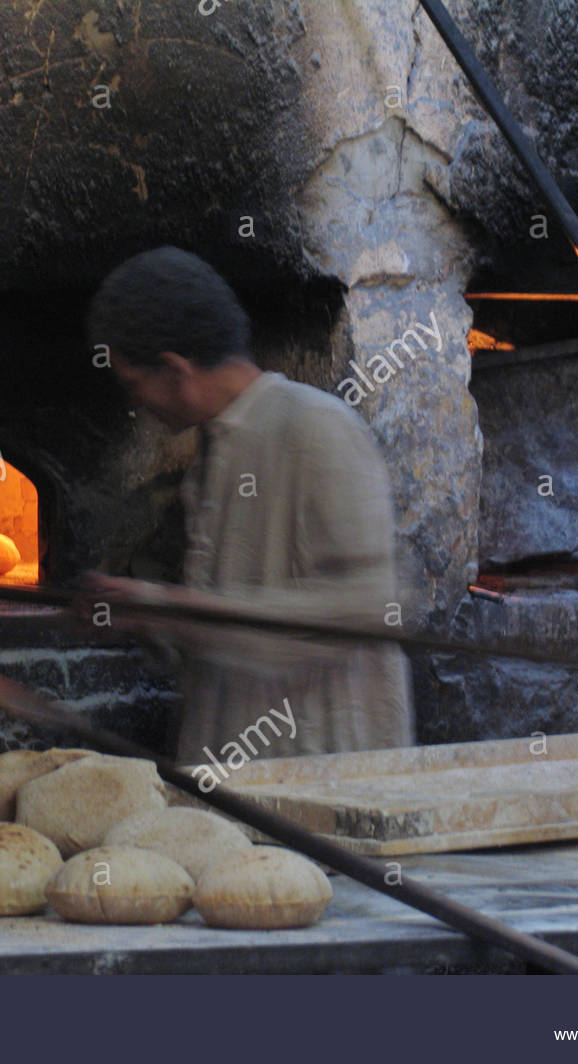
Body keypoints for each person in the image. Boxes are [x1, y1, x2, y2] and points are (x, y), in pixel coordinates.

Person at [84, 246, 413, 768]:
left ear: (175, 369)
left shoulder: (319, 429)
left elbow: (368, 610)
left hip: (320, 769)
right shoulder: (215, 448)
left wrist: (173, 607)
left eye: (133, 384)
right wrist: (147, 618)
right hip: (232, 766)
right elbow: (223, 632)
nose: (135, 404)